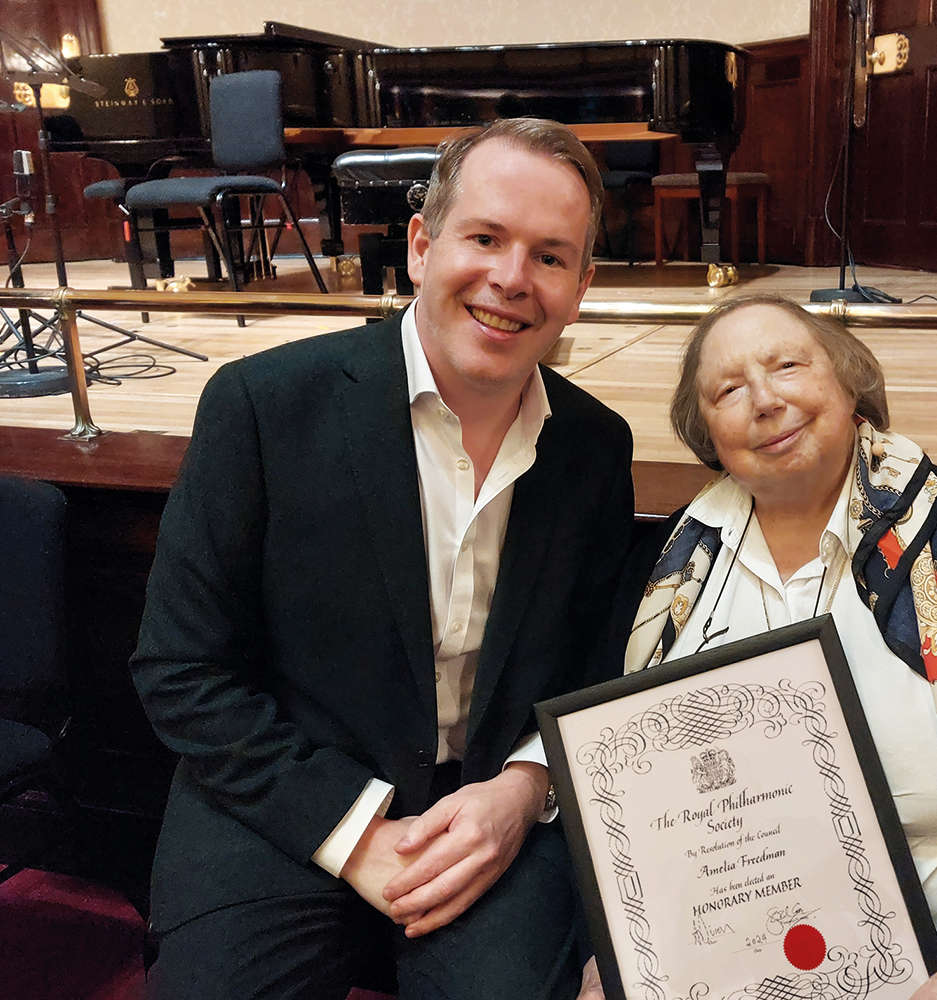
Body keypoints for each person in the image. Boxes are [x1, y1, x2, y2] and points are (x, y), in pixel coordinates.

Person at [131, 117, 635, 1000]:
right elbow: (180, 668)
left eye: (551, 257)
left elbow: (596, 665)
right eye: (485, 237)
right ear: (420, 243)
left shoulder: (595, 447)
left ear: (582, 285)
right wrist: (353, 831)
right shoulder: (261, 407)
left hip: (484, 814)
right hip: (283, 794)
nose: (512, 279)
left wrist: (523, 791)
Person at [577, 294, 937, 1000]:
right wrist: (614, 952)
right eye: (728, 389)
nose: (764, 401)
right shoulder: (665, 571)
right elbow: (610, 792)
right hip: (718, 968)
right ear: (705, 430)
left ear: (850, 381)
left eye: (788, 365)